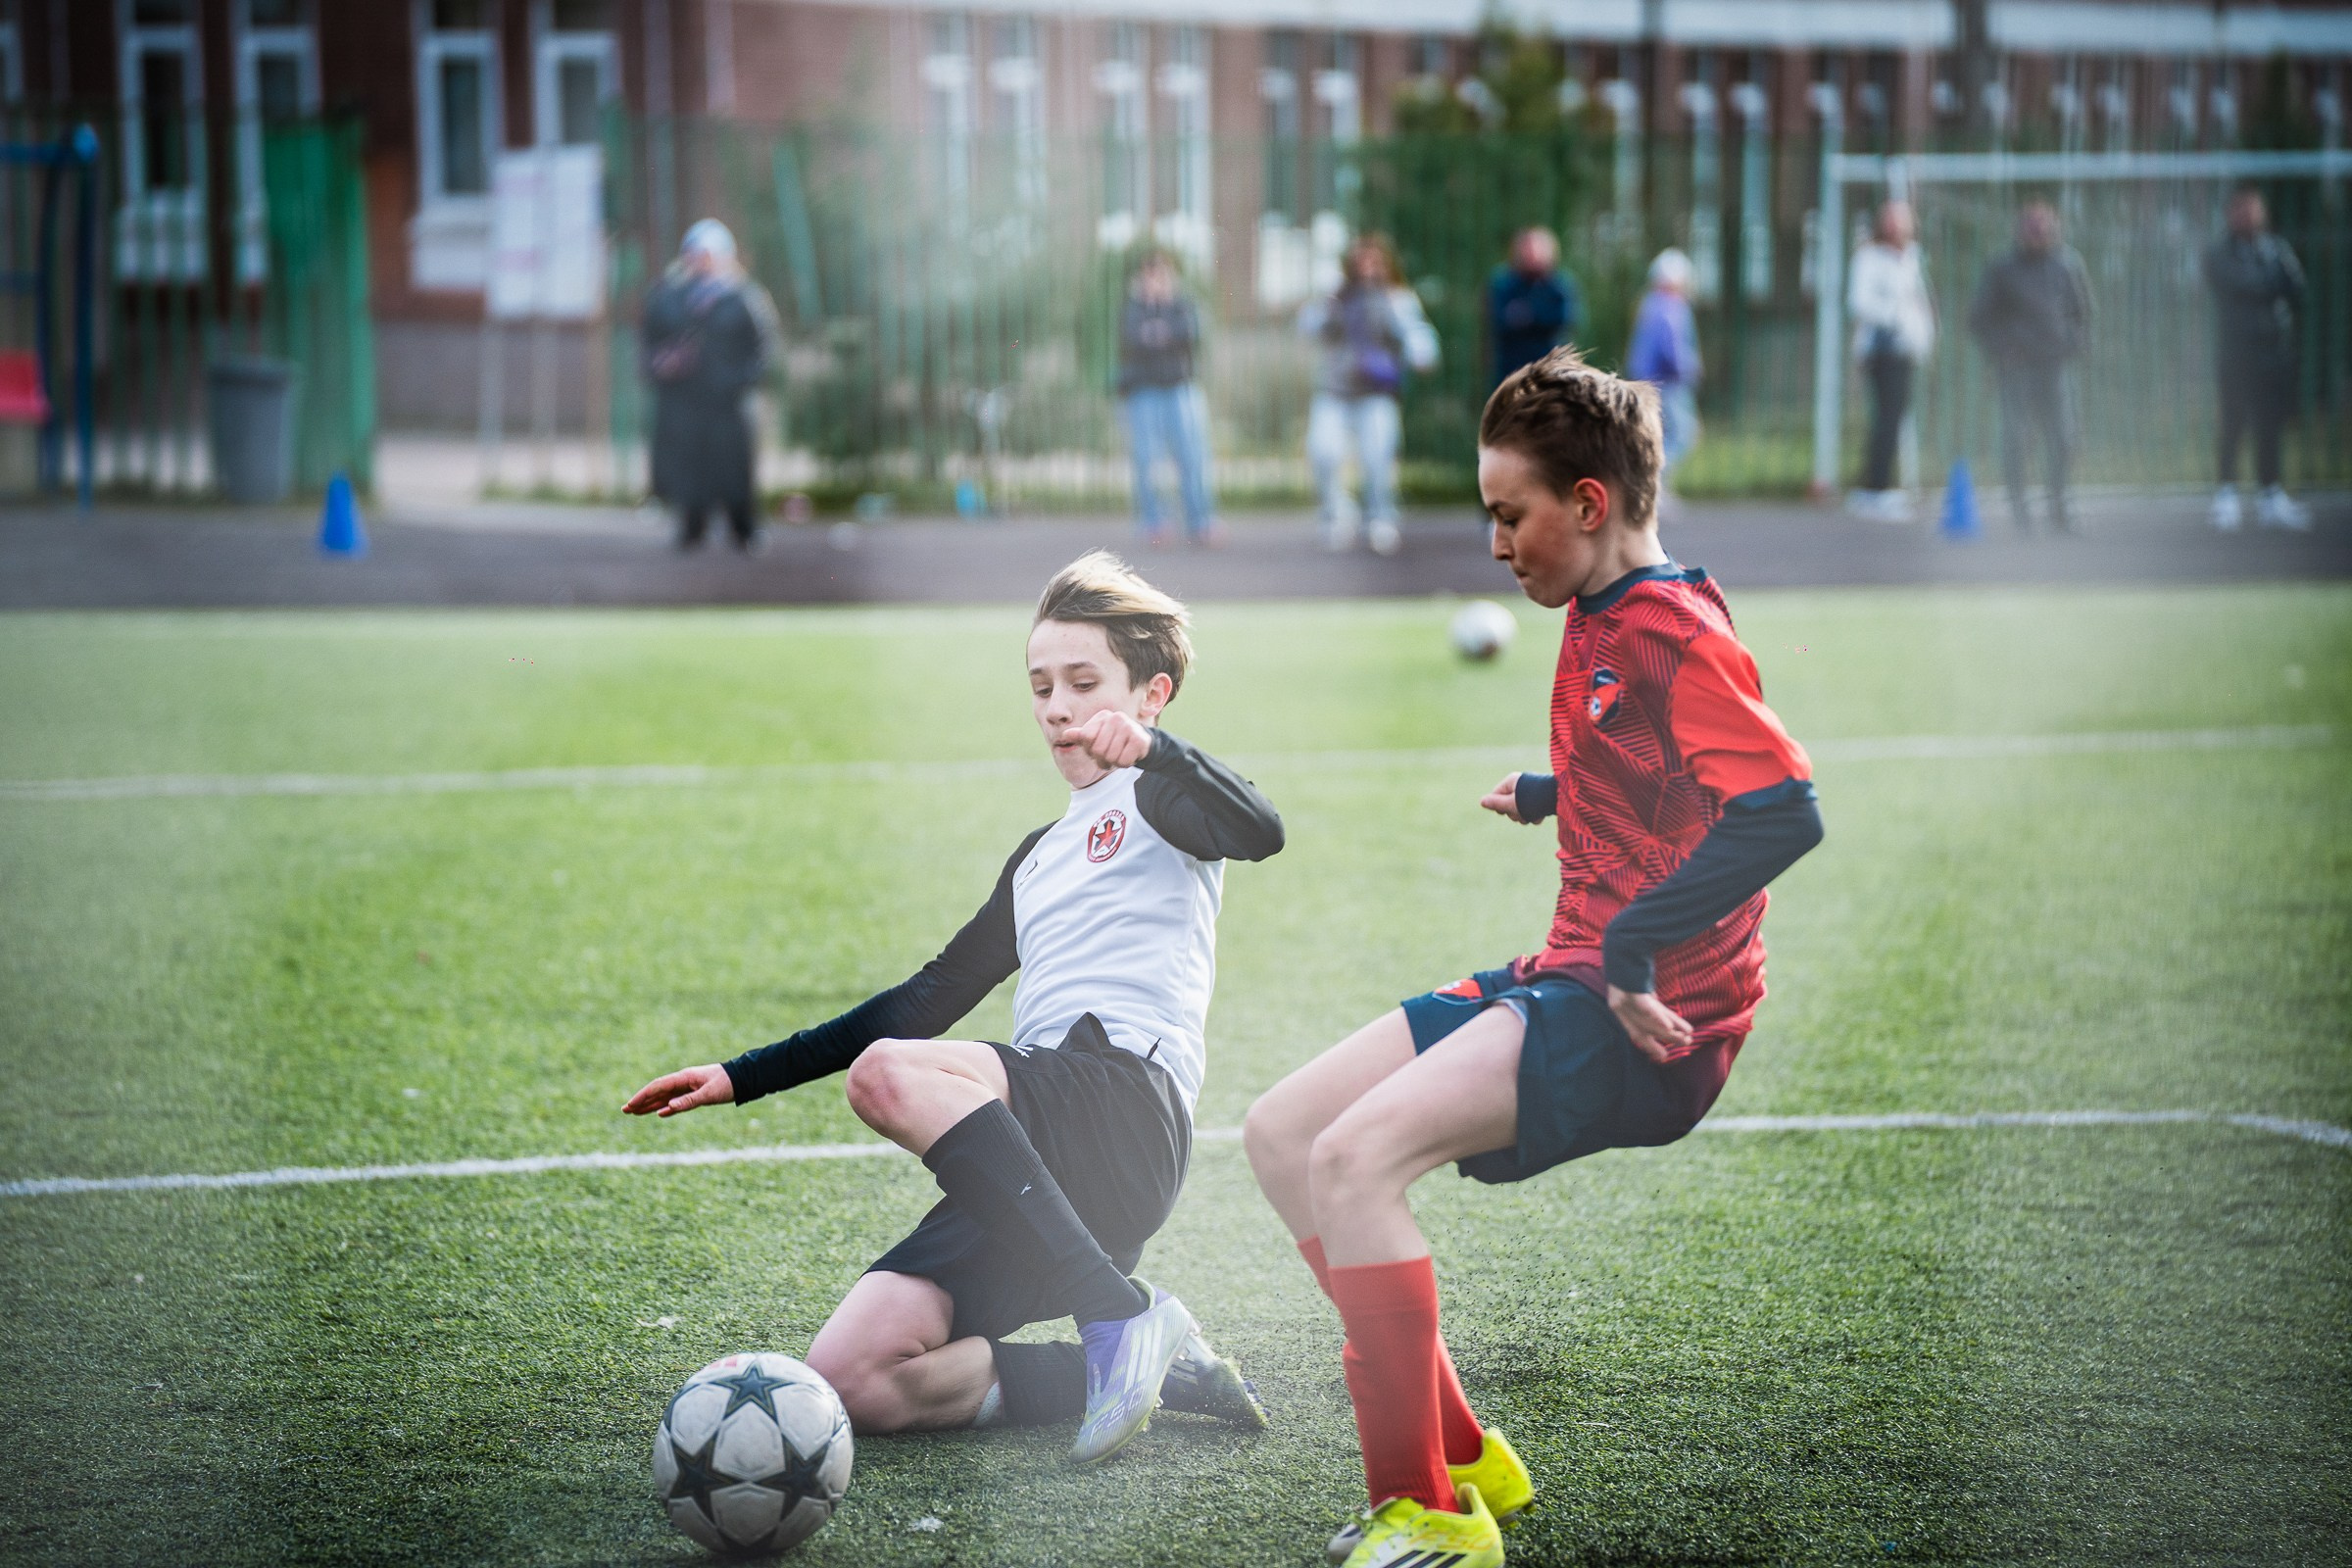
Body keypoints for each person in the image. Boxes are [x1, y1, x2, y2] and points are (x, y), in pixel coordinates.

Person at [1243, 347, 1822, 1568]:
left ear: (1592, 505)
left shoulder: (1670, 628)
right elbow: (1669, 767)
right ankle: (1461, 1454)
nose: (1497, 544)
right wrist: (1565, 788)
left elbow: (1781, 810)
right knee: (1285, 1133)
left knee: (1354, 1163)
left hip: (1649, 1021)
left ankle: (1429, 1520)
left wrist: (1632, 945)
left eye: (1512, 516)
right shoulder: (1604, 609)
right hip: (1574, 974)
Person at [623, 553, 1282, 1463]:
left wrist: (1161, 754)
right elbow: (926, 996)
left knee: (887, 1075)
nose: (1056, 706)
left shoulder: (1161, 799)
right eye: (1041, 684)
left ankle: (1117, 1315)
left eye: (1083, 683)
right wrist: (743, 1075)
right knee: (855, 1378)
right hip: (1032, 1168)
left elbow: (1262, 830)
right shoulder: (1039, 855)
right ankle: (1142, 1362)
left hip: (1121, 1110)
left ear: (1151, 693)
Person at [642, 220, 781, 551]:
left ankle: (743, 528)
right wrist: (662, 364)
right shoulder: (669, 298)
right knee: (689, 465)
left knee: (734, 466)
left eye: (708, 255)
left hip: (729, 401)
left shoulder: (744, 299)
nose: (701, 262)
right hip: (685, 400)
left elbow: (763, 351)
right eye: (695, 254)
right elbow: (650, 344)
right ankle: (692, 528)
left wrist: (737, 380)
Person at [1300, 233, 1440, 557]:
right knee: (1323, 452)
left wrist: (1421, 353)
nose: (1366, 268)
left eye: (1373, 261)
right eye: (1359, 261)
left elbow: (1418, 335)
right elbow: (1308, 326)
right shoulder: (1336, 296)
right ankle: (1336, 514)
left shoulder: (1397, 297)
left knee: (1377, 459)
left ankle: (1380, 517)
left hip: (1376, 392)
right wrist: (1328, 308)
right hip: (1335, 391)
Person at [1967, 201, 2092, 533]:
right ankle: (2020, 510)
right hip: (2017, 367)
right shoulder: (2002, 267)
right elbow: (1979, 318)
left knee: (2064, 438)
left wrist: (2073, 344)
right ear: (2020, 229)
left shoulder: (2067, 264)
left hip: (2055, 366)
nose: (2038, 232)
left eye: (2044, 225)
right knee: (2017, 440)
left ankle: (2060, 506)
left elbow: (2083, 313)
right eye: (2031, 225)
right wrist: (2002, 350)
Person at [2204, 186, 2310, 532]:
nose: (2247, 216)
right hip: (2236, 353)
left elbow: (2296, 287)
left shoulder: (2275, 248)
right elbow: (2237, 284)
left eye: (2253, 209)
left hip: (2272, 354)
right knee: (2233, 425)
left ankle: (2270, 495)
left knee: (2270, 427)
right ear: (2230, 214)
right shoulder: (2219, 252)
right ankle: (2226, 497)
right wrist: (2268, 282)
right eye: (2240, 210)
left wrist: (2262, 283)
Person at [1117, 251, 1222, 547]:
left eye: (1160, 276)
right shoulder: (1134, 308)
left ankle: (1201, 521)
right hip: (1145, 391)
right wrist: (1159, 330)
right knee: (1146, 459)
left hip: (1180, 388)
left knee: (1193, 457)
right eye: (1149, 277)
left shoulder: (1183, 305)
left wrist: (1158, 331)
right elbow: (1132, 339)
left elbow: (1190, 333)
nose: (1155, 283)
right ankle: (1154, 523)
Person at [1845, 200, 1936, 522]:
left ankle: (1879, 484)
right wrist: (1896, 317)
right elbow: (1860, 302)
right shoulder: (1870, 258)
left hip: (1905, 350)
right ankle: (1875, 489)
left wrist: (1922, 335)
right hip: (1883, 349)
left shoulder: (1912, 258)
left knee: (1893, 420)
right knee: (1886, 420)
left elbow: (1919, 301)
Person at [1624, 249, 1702, 505]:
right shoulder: (1671, 306)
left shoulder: (1648, 303)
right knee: (1683, 434)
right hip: (1668, 381)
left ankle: (1652, 486)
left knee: (1656, 434)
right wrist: (1688, 369)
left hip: (1647, 379)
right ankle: (1652, 484)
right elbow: (1672, 348)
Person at [1487, 226, 1583, 390]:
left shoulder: (1560, 285)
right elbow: (1499, 320)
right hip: (1511, 370)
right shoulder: (1503, 284)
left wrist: (1528, 316)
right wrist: (1541, 315)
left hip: (1552, 369)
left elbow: (1565, 318)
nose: (1533, 255)